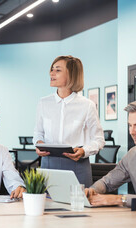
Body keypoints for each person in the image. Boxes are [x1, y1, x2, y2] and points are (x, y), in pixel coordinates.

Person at [33, 55, 105, 187]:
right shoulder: (43, 103)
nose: (51, 73)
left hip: (77, 166)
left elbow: (99, 139)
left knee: (78, 207)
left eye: (58, 70)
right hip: (48, 166)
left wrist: (84, 151)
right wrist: (39, 143)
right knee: (46, 206)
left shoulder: (87, 105)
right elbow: (38, 132)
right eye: (52, 69)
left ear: (71, 74)